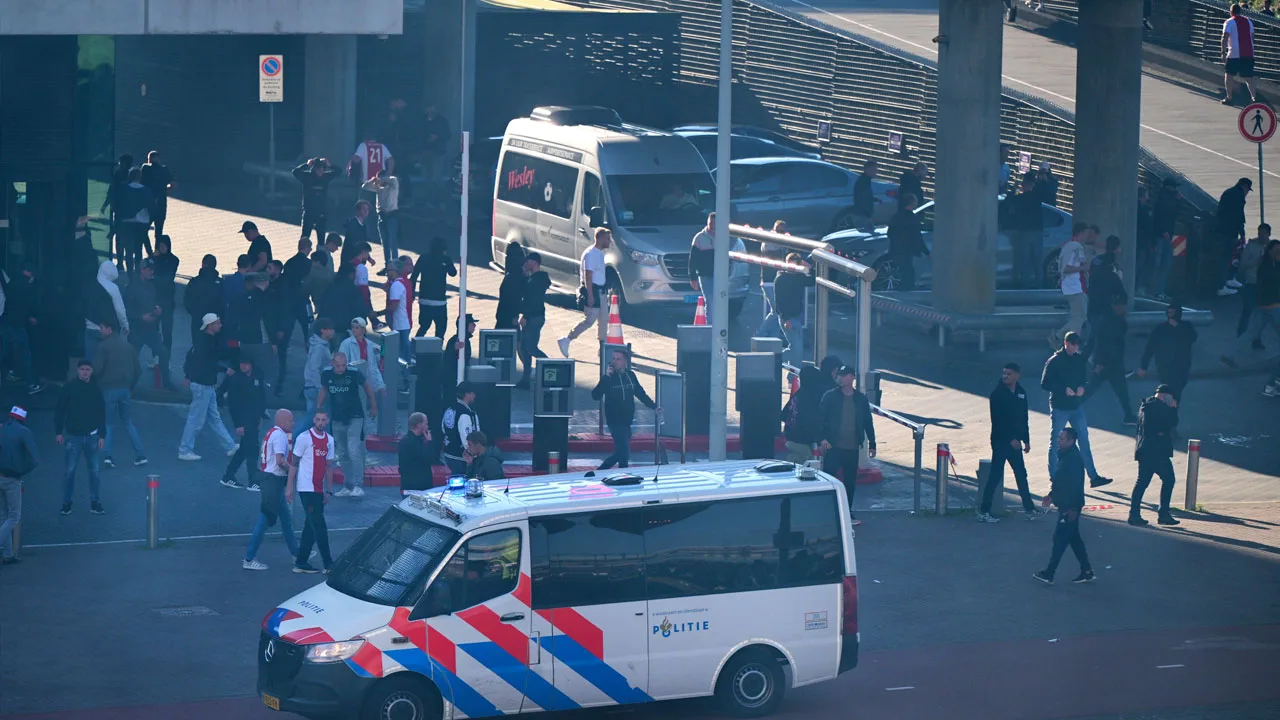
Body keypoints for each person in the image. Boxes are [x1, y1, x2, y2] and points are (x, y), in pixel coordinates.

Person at [1042, 332, 1113, 489]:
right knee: (1055, 442)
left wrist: (1082, 387)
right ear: (1066, 344)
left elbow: (1083, 378)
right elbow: (1045, 383)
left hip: (1075, 405)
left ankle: (1093, 477)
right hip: (1060, 406)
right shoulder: (1054, 361)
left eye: (1077, 345)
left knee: (1084, 440)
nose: (1076, 348)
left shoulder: (1078, 360)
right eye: (1074, 345)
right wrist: (1063, 389)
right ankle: (1054, 477)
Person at [980, 363, 1044, 523]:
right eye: (1004, 373)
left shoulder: (1021, 393)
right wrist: (1011, 439)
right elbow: (998, 421)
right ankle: (983, 511)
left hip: (1015, 443)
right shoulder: (997, 394)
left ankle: (1029, 509)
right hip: (1001, 442)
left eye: (1009, 374)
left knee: (1021, 475)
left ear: (1017, 375)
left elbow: (1023, 419)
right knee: (995, 476)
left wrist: (1026, 440)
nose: (1005, 376)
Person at [1033, 427, 1096, 585]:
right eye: (1059, 437)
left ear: (1071, 441)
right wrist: (1051, 495)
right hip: (1067, 505)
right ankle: (1087, 571)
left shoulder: (1073, 459)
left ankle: (1049, 573)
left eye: (1062, 438)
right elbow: (1061, 481)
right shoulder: (1066, 456)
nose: (1058, 441)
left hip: (1070, 507)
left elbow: (1074, 485)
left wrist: (1073, 508)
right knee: (1074, 538)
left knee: (1060, 539)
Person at [819, 366, 877, 525]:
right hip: (833, 447)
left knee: (850, 483)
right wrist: (822, 438)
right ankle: (827, 512)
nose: (840, 378)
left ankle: (847, 512)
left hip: (852, 447)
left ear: (852, 377)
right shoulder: (830, 396)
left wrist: (872, 443)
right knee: (829, 479)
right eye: (839, 375)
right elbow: (820, 418)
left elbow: (867, 421)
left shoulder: (860, 399)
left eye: (844, 375)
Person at [244, 409, 300, 570]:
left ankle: (296, 553)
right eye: (291, 420)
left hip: (269, 481)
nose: (294, 423)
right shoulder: (281, 436)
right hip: (273, 482)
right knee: (264, 521)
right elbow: (280, 460)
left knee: (286, 519)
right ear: (283, 422)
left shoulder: (271, 433)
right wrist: (293, 471)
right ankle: (249, 558)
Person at [179, 313, 238, 461]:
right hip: (204, 384)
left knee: (213, 417)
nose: (220, 325)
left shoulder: (201, 341)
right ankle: (185, 449)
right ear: (210, 326)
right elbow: (210, 362)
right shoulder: (208, 342)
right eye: (217, 323)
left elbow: (191, 358)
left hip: (205, 384)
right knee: (197, 419)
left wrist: (187, 375)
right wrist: (226, 370)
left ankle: (230, 445)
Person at [318, 351, 377, 498]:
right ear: (333, 364)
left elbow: (367, 386)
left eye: (343, 365)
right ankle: (348, 484)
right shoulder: (327, 375)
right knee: (342, 452)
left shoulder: (354, 373)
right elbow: (324, 390)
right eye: (338, 366)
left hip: (355, 416)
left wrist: (373, 405)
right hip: (337, 417)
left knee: (353, 449)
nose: (341, 369)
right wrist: (319, 408)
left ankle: (358, 484)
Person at [592, 350, 659, 470]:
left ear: (625, 362)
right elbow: (595, 396)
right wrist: (606, 378)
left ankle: (623, 475)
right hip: (615, 421)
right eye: (613, 359)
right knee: (624, 452)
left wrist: (654, 406)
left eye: (618, 359)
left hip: (627, 420)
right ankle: (600, 472)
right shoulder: (608, 378)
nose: (614, 362)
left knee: (623, 455)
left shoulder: (631, 376)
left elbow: (640, 393)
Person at [55, 360, 107, 517]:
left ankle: (94, 502)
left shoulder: (96, 390)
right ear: (78, 371)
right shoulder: (69, 388)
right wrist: (58, 431)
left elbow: (101, 413)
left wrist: (102, 435)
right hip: (73, 437)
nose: (85, 372)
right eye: (82, 369)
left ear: (91, 371)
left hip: (91, 436)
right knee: (69, 472)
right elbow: (60, 410)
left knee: (94, 472)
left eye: (88, 369)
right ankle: (67, 503)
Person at [288, 408, 336, 574]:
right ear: (314, 420)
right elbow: (294, 463)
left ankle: (301, 561)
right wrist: (289, 488)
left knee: (311, 525)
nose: (320, 423)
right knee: (320, 525)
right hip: (306, 489)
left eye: (323, 420)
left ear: (327, 421)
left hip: (318, 489)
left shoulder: (329, 440)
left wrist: (328, 490)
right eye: (318, 420)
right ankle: (328, 563)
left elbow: (329, 467)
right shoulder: (304, 438)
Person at [92, 321, 145, 469]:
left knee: (109, 423)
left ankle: (108, 456)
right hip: (125, 390)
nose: (100, 331)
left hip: (108, 389)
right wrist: (131, 386)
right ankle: (140, 454)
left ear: (109, 329)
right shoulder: (128, 347)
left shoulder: (103, 347)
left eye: (102, 328)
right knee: (128, 422)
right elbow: (138, 370)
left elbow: (96, 369)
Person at [1129, 385, 1181, 527]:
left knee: (1142, 483)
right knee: (1169, 479)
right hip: (1157, 451)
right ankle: (1163, 513)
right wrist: (1172, 409)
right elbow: (1170, 424)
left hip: (1145, 450)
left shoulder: (1146, 404)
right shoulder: (1158, 407)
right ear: (1166, 395)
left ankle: (1134, 514)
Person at [559, 227, 611, 357]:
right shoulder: (591, 254)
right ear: (599, 239)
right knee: (589, 320)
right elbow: (588, 275)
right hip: (594, 291)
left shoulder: (598, 253)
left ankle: (603, 348)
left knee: (603, 320)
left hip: (601, 292)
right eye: (607, 239)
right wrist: (590, 295)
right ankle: (567, 339)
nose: (609, 241)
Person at [124, 259, 174, 389]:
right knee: (132, 361)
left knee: (163, 352)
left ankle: (167, 383)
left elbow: (156, 301)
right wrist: (140, 317)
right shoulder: (131, 287)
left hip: (151, 329)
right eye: (149, 269)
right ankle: (129, 386)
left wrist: (158, 310)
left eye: (152, 269)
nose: (152, 272)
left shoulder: (152, 286)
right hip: (136, 330)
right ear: (142, 270)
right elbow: (125, 309)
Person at [219, 357, 267, 490]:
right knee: (252, 448)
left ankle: (228, 476)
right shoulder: (236, 380)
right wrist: (238, 424)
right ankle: (253, 480)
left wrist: (260, 417)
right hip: (244, 420)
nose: (243, 366)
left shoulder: (257, 375)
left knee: (245, 449)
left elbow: (261, 397)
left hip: (253, 419)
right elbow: (233, 405)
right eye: (241, 363)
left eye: (246, 363)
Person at [1088, 295, 1136, 425]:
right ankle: (1129, 416)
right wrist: (1099, 363)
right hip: (1109, 363)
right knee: (1120, 391)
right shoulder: (1111, 322)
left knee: (1093, 388)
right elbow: (1104, 343)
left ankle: (1129, 415)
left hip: (1110, 362)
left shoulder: (1110, 319)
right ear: (1118, 306)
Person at [758, 253, 812, 363]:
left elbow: (812, 281)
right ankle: (793, 375)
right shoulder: (781, 278)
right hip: (788, 319)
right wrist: (786, 318)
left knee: (795, 348)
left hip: (795, 316)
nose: (791, 268)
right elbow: (779, 302)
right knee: (797, 350)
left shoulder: (799, 277)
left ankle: (772, 360)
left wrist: (810, 268)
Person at [1138, 305, 1198, 403]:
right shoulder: (1161, 329)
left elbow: (1192, 337)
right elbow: (1150, 347)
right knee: (1173, 391)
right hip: (1165, 366)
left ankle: (1167, 408)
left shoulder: (1186, 326)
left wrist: (1178, 327)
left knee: (1175, 390)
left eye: (1172, 313)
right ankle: (1170, 411)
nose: (1170, 316)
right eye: (1169, 313)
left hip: (1182, 366)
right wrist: (1143, 366)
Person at [0, 406, 37, 564]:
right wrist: (21, 471)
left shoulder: (1, 428)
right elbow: (34, 459)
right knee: (14, 517)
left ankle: (8, 554)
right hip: (12, 478)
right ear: (22, 419)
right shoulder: (24, 432)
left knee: (3, 517)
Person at [338, 317, 386, 440]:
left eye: (357, 328)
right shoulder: (346, 344)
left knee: (363, 411)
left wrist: (380, 385)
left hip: (364, 383)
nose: (354, 330)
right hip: (352, 384)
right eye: (353, 327)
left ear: (363, 330)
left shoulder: (369, 345)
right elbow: (342, 364)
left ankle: (361, 437)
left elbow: (373, 367)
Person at [0, 263, 43, 394]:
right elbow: (23, 305)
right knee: (24, 353)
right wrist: (30, 317)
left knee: (6, 350)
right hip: (16, 324)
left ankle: (12, 372)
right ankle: (31, 384)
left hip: (6, 321)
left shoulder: (13, 282)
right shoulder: (25, 287)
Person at [227, 272, 275, 382]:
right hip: (261, 341)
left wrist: (234, 339)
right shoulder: (265, 298)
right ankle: (258, 393)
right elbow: (269, 321)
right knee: (261, 372)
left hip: (243, 341)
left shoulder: (238, 298)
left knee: (243, 371)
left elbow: (231, 321)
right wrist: (274, 341)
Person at [1051, 223, 1089, 348]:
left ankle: (1071, 344)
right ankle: (1058, 337)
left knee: (1078, 317)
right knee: (1079, 318)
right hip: (1075, 287)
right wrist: (1085, 267)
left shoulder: (1068, 246)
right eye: (1086, 233)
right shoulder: (1075, 246)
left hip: (1070, 287)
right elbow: (1066, 268)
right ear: (1081, 233)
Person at [83, 260, 129, 362]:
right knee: (109, 361)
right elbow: (120, 310)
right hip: (109, 329)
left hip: (90, 328)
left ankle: (89, 377)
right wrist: (125, 325)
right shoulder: (113, 288)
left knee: (90, 360)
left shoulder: (90, 286)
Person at [1002, 177, 1044, 288]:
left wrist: (1013, 190)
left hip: (1024, 232)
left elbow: (1006, 204)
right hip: (1037, 232)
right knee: (1037, 259)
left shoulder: (1019, 199)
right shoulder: (1037, 198)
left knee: (1024, 259)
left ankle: (1025, 282)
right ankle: (1039, 282)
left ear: (1023, 186)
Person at [412, 237, 457, 339]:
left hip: (424, 299)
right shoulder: (445, 259)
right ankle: (437, 349)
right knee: (441, 328)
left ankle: (415, 346)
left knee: (424, 326)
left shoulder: (423, 258)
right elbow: (453, 273)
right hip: (439, 301)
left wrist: (412, 294)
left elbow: (414, 276)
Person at [518, 253, 551, 388]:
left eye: (528, 261)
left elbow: (533, 301)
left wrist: (525, 316)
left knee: (530, 347)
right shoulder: (535, 279)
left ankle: (549, 366)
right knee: (525, 348)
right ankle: (526, 379)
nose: (526, 263)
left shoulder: (536, 281)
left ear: (534, 262)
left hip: (534, 317)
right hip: (534, 316)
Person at [1085, 235, 1127, 343]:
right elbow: (1120, 292)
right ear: (1117, 248)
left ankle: (1085, 357)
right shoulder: (1115, 268)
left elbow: (1090, 279)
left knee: (1093, 339)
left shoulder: (1096, 261)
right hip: (1107, 307)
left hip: (1093, 304)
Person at [1214, 178, 1252, 296]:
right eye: (1248, 190)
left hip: (1222, 230)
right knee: (1226, 259)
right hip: (1229, 232)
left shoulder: (1229, 192)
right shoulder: (1238, 197)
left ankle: (1229, 279)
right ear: (1244, 187)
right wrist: (1243, 233)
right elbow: (1238, 216)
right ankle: (1221, 286)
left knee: (1228, 258)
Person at [780, 364, 825, 463]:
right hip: (801, 442)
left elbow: (783, 415)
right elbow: (812, 422)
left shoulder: (798, 394)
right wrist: (819, 441)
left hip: (790, 438)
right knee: (800, 471)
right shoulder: (811, 398)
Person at [1235, 224, 1270, 347]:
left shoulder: (1273, 247)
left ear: (1268, 234)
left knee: (1261, 314)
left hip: (1266, 286)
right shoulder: (1251, 246)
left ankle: (1257, 340)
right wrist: (1256, 262)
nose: (1261, 236)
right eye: (1259, 233)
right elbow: (1244, 264)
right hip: (1252, 283)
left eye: (1264, 234)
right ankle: (1240, 335)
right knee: (1247, 310)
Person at [300, 319, 336, 435]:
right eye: (330, 329)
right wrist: (319, 387)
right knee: (319, 418)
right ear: (323, 330)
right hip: (316, 388)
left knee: (313, 419)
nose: (332, 332)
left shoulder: (317, 345)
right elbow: (314, 368)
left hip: (311, 387)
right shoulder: (319, 348)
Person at [116, 168, 154, 274]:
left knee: (128, 251)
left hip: (127, 222)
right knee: (138, 250)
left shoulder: (124, 189)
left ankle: (130, 275)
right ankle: (138, 274)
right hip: (141, 222)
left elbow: (118, 205)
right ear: (140, 177)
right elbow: (151, 207)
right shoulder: (146, 190)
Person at [886, 193, 928, 291]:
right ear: (912, 203)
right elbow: (917, 236)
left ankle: (902, 289)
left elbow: (889, 233)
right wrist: (926, 252)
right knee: (909, 272)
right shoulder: (912, 218)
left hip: (896, 248)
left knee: (903, 271)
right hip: (907, 250)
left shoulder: (896, 216)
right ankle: (907, 291)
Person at [362, 169, 401, 270]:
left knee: (393, 243)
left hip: (392, 215)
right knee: (385, 244)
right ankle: (387, 266)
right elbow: (364, 186)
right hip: (382, 217)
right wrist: (372, 180)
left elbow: (394, 179)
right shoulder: (378, 188)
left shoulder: (393, 186)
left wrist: (382, 179)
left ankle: (396, 266)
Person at [293, 158, 337, 242]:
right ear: (314, 169)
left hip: (321, 213)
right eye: (318, 169)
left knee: (321, 239)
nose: (320, 171)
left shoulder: (326, 177)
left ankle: (320, 252)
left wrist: (329, 165)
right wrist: (307, 165)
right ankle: (302, 253)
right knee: (305, 237)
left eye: (322, 169)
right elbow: (295, 172)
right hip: (309, 212)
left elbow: (338, 171)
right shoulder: (307, 176)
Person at [1150, 178, 1180, 301]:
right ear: (1169, 187)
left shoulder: (1163, 197)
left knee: (1160, 264)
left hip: (1163, 234)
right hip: (1163, 235)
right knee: (1162, 264)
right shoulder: (1166, 199)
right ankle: (1157, 292)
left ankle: (1157, 292)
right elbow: (1163, 215)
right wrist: (1164, 231)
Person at [1222, 4, 1258, 105]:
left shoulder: (1229, 22)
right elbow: (1252, 37)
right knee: (1249, 77)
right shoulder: (1248, 21)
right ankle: (1254, 97)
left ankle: (1229, 98)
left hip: (1234, 53)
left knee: (1229, 75)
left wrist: (1223, 52)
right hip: (1248, 53)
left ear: (1231, 11)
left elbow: (1224, 37)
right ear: (1240, 11)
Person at [441, 382, 480, 475]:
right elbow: (466, 437)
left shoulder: (450, 409)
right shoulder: (464, 413)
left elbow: (443, 428)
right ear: (467, 394)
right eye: (473, 393)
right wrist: (472, 453)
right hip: (460, 456)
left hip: (448, 452)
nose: (474, 396)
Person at [183, 254, 223, 342]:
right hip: (215, 321)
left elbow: (187, 301)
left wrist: (195, 314)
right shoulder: (221, 283)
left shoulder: (194, 282)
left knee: (198, 345)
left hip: (198, 320)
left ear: (203, 264)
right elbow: (224, 302)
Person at [151, 236, 180, 351]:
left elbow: (167, 276)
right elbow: (147, 271)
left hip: (167, 301)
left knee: (167, 331)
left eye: (164, 245)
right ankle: (155, 356)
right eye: (160, 245)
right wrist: (154, 258)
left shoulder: (174, 260)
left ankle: (166, 355)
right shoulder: (153, 259)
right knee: (154, 330)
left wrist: (156, 277)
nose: (162, 248)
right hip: (154, 299)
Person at [398, 412, 436, 493]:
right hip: (417, 488)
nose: (427, 427)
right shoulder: (415, 443)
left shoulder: (405, 440)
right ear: (419, 425)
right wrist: (429, 442)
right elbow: (430, 458)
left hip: (408, 485)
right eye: (426, 424)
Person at [140, 151, 174, 241]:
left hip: (147, 203)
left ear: (149, 159)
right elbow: (172, 184)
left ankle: (149, 250)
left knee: (143, 230)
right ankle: (157, 251)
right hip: (161, 203)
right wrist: (165, 190)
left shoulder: (145, 168)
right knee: (159, 231)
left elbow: (140, 182)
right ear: (158, 159)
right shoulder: (164, 169)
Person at [421, 104, 452, 203]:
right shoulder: (422, 120)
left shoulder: (441, 121)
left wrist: (437, 137)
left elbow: (448, 135)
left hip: (438, 153)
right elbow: (418, 135)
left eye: (431, 107)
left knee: (436, 179)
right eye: (428, 107)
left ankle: (441, 202)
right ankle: (429, 202)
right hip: (425, 152)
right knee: (426, 179)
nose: (430, 109)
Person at [443, 314, 477, 400]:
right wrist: (454, 348)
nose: (474, 326)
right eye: (472, 323)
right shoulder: (457, 340)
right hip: (452, 380)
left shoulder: (464, 339)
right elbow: (448, 355)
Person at [386, 257, 415, 360]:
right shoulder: (404, 282)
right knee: (404, 351)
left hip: (400, 324)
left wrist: (377, 314)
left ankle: (404, 372)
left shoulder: (396, 285)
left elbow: (394, 306)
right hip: (404, 322)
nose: (387, 273)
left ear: (396, 271)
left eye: (389, 270)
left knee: (400, 351)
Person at [689, 215, 716, 317]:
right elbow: (692, 260)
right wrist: (693, 278)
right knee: (711, 302)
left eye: (715, 225)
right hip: (705, 276)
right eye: (711, 224)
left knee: (719, 302)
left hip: (721, 276)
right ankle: (711, 327)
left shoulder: (724, 237)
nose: (713, 227)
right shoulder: (699, 238)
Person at [495, 252, 527, 330]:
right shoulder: (518, 279)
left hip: (502, 315)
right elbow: (514, 300)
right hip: (510, 318)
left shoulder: (509, 277)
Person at [851, 159, 878, 227]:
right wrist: (868, 217)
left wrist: (874, 199)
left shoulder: (865, 181)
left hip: (862, 215)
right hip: (862, 216)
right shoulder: (863, 182)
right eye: (874, 170)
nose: (876, 172)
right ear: (867, 170)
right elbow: (863, 201)